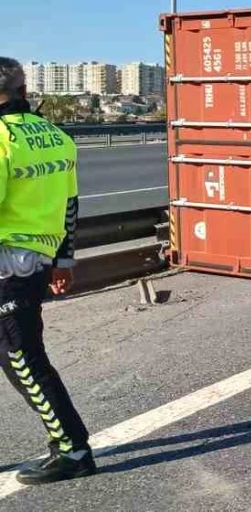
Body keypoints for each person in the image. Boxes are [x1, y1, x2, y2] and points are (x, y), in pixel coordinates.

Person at [0, 57, 94, 484]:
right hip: (37, 261)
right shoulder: (55, 134)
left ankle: (72, 450)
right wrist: (64, 260)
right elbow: (70, 205)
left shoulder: (1, 139)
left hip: (7, 267)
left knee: (22, 358)